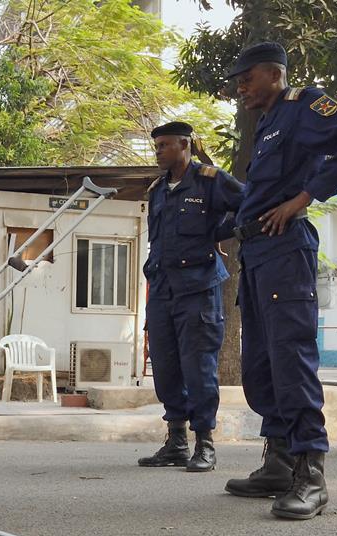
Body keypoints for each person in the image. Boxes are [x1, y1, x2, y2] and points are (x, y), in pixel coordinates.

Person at [222, 42, 337, 519]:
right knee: (260, 365)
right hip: (256, 253)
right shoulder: (268, 124)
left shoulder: (304, 106)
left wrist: (304, 198)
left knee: (290, 359)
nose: (240, 87)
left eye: (246, 77)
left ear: (274, 74)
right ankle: (278, 460)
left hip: (285, 249)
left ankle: (311, 474)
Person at [137, 121, 244, 472]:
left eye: (164, 145)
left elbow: (247, 204)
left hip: (198, 287)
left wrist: (219, 231)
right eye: (156, 146)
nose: (158, 152)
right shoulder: (158, 190)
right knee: (165, 367)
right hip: (163, 288)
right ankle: (176, 441)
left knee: (199, 368)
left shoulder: (210, 180)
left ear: (184, 144)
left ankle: (205, 444)